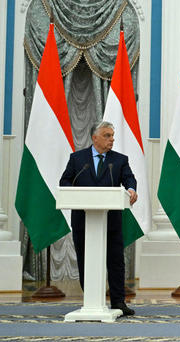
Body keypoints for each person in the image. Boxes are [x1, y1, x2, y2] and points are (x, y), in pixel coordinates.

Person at [60, 121, 138, 316]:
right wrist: (73, 193)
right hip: (83, 220)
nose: (112, 139)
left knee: (115, 262)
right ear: (94, 138)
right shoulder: (77, 159)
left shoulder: (119, 160)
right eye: (107, 135)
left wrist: (131, 189)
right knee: (85, 260)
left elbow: (129, 178)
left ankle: (118, 302)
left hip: (110, 220)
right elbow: (65, 181)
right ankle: (91, 300)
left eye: (112, 136)